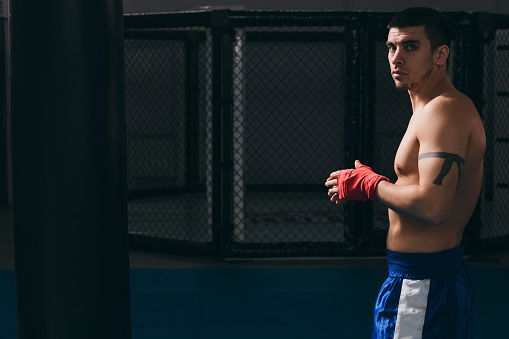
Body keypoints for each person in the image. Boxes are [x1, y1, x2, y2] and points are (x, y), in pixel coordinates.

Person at [324, 7, 485, 339]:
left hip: (423, 285)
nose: (396, 58)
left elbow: (433, 206)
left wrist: (371, 186)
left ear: (440, 54)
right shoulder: (430, 108)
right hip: (425, 280)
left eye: (410, 46)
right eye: (391, 47)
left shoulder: (444, 109)